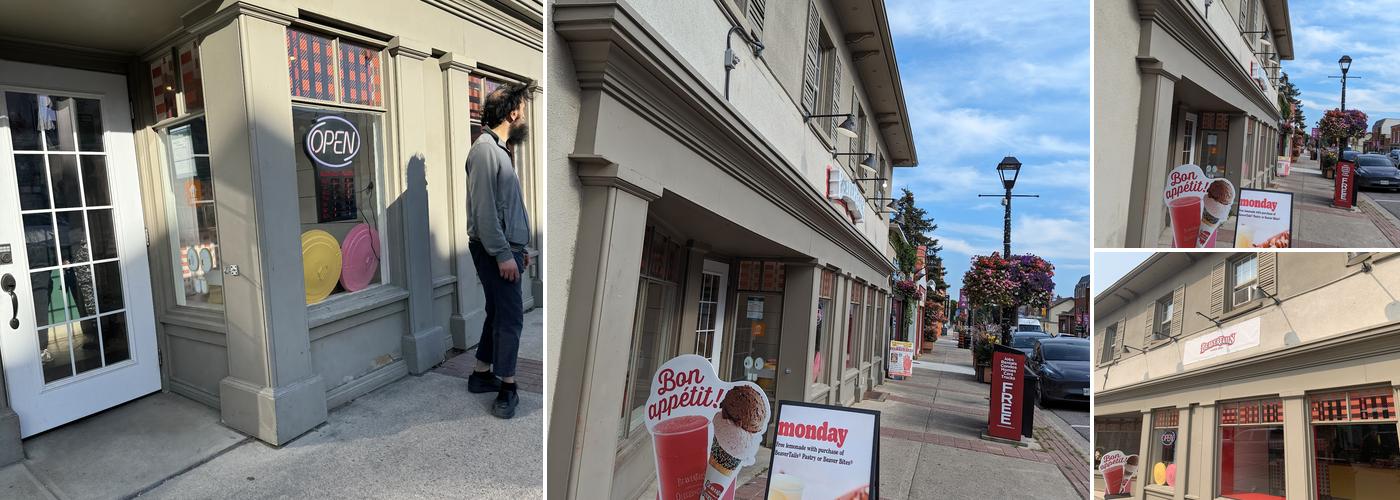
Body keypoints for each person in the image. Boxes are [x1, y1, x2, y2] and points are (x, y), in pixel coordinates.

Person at [465, 82, 533, 419]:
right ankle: (507, 387)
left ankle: (481, 374)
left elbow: (506, 207)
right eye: (523, 109)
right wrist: (504, 254)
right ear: (513, 113)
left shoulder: (497, 150)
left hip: (506, 247)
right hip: (494, 250)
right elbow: (484, 212)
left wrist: (520, 248)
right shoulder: (484, 151)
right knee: (510, 317)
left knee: (497, 311)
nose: (525, 117)